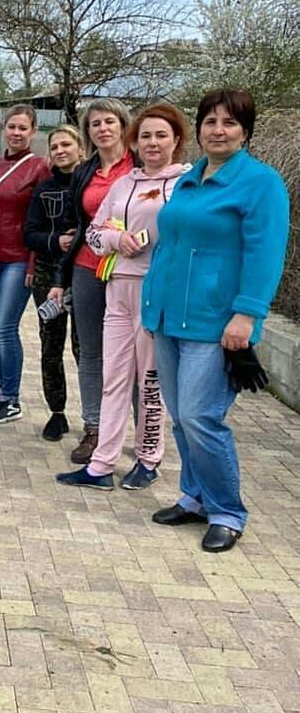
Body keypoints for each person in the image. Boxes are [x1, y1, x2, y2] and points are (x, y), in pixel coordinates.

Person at [142, 90, 289, 552]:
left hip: (216, 321)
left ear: (246, 130)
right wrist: (152, 304)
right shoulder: (191, 180)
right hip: (168, 316)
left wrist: (247, 315)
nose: (218, 130)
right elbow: (170, 245)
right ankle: (195, 496)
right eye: (210, 122)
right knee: (181, 420)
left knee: (201, 416)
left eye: (229, 122)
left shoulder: (260, 183)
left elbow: (265, 254)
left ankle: (228, 510)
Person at [56, 103, 190, 491]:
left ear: (176, 140)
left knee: (149, 381)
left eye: (161, 135)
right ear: (136, 139)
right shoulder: (124, 183)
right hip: (118, 288)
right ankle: (101, 465)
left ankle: (148, 459)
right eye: (146, 135)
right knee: (114, 377)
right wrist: (118, 239)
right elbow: (94, 234)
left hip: (157, 292)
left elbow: (192, 235)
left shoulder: (185, 183)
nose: (152, 142)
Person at [49, 99, 137, 462]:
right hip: (89, 267)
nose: (102, 129)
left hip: (132, 270)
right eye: (95, 124)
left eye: (109, 122)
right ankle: (93, 429)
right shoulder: (85, 172)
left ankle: (142, 431)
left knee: (137, 353)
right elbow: (77, 226)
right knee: (90, 351)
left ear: (123, 126)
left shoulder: (142, 166)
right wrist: (61, 276)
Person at [0, 105, 50, 424]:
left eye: (23, 128)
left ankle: (12, 398)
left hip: (18, 258)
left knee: (5, 327)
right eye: (12, 127)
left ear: (33, 132)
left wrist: (33, 264)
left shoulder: (39, 168)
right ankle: (4, 393)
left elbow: (42, 218)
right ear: (4, 129)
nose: (16, 133)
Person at [23, 124, 83, 441]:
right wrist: (55, 240)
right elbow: (29, 233)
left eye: (66, 145)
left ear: (80, 148)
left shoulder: (91, 183)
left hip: (84, 275)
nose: (60, 151)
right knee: (51, 344)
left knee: (84, 349)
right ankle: (56, 412)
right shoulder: (44, 188)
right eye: (55, 146)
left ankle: (94, 419)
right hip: (48, 275)